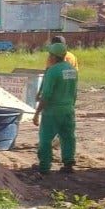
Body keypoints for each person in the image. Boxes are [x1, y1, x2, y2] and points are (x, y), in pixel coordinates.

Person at [33, 42, 78, 175]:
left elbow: (46, 95)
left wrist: (37, 113)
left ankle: (44, 167)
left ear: (52, 56)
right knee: (68, 137)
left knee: (46, 139)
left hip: (52, 112)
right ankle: (69, 162)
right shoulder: (72, 69)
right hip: (68, 110)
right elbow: (74, 92)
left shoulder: (52, 71)